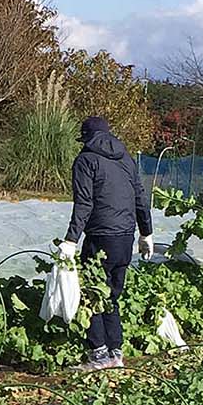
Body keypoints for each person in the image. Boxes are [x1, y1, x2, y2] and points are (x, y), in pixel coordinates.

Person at [58, 116, 155, 371]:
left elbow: (84, 203)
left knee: (91, 294)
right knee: (112, 294)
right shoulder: (126, 159)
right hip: (125, 237)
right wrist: (146, 233)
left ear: (86, 138)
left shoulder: (86, 160)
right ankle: (115, 353)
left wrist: (71, 239)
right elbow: (140, 197)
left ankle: (99, 354)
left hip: (101, 236)